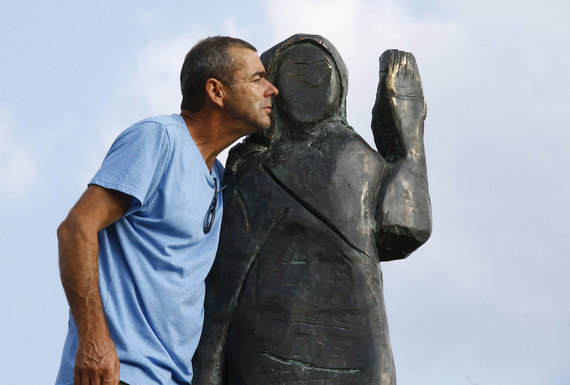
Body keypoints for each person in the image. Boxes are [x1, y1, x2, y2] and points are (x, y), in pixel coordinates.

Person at [191, 34, 431, 385]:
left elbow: (407, 228)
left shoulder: (360, 159)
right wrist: (206, 371)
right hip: (266, 350)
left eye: (320, 70)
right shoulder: (252, 170)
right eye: (296, 70)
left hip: (358, 347)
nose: (309, 80)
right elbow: (225, 285)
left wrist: (408, 143)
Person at [55, 36, 278, 385]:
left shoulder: (219, 178)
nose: (272, 89)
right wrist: (94, 339)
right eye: (257, 78)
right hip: (116, 373)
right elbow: (76, 228)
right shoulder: (158, 140)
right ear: (216, 92)